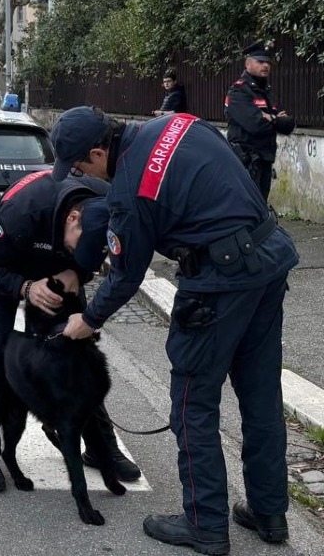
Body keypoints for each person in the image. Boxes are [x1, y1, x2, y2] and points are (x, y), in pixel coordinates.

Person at [51, 106, 299, 555]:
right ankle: (269, 512)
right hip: (267, 258)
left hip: (218, 282)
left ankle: (205, 523)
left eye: (81, 167)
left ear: (98, 152)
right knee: (261, 395)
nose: (84, 175)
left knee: (192, 402)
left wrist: (87, 321)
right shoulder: (179, 123)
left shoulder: (130, 189)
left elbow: (126, 276)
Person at [0, 171, 141, 493]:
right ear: (73, 219)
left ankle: (102, 448)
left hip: (57, 271)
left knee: (78, 358)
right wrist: (26, 288)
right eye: (80, 247)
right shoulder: (22, 212)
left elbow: (96, 260)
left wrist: (77, 271)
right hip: (2, 268)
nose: (84, 253)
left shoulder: (108, 202)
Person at [225, 41, 295, 200]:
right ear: (248, 64)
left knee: (261, 204)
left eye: (268, 62)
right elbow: (255, 125)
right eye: (260, 62)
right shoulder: (238, 91)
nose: (265, 66)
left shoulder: (266, 91)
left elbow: (287, 125)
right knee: (246, 205)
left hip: (265, 159)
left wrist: (270, 118)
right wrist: (275, 119)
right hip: (246, 160)